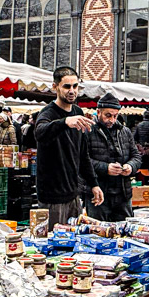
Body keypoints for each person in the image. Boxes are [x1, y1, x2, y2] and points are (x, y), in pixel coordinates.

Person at [34, 67, 103, 229]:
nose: (72, 91)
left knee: (75, 239)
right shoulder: (48, 113)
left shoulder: (78, 112)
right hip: (52, 197)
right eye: (67, 87)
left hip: (73, 194)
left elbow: (83, 154)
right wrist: (64, 122)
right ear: (55, 87)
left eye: (75, 86)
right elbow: (40, 132)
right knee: (52, 243)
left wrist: (94, 184)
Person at [85, 93, 141, 221]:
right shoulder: (87, 131)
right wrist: (106, 168)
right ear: (98, 112)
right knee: (98, 233)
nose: (112, 120)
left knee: (125, 232)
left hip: (123, 193)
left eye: (115, 116)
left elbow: (136, 156)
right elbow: (82, 160)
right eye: (108, 115)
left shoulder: (125, 131)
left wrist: (130, 167)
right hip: (98, 192)